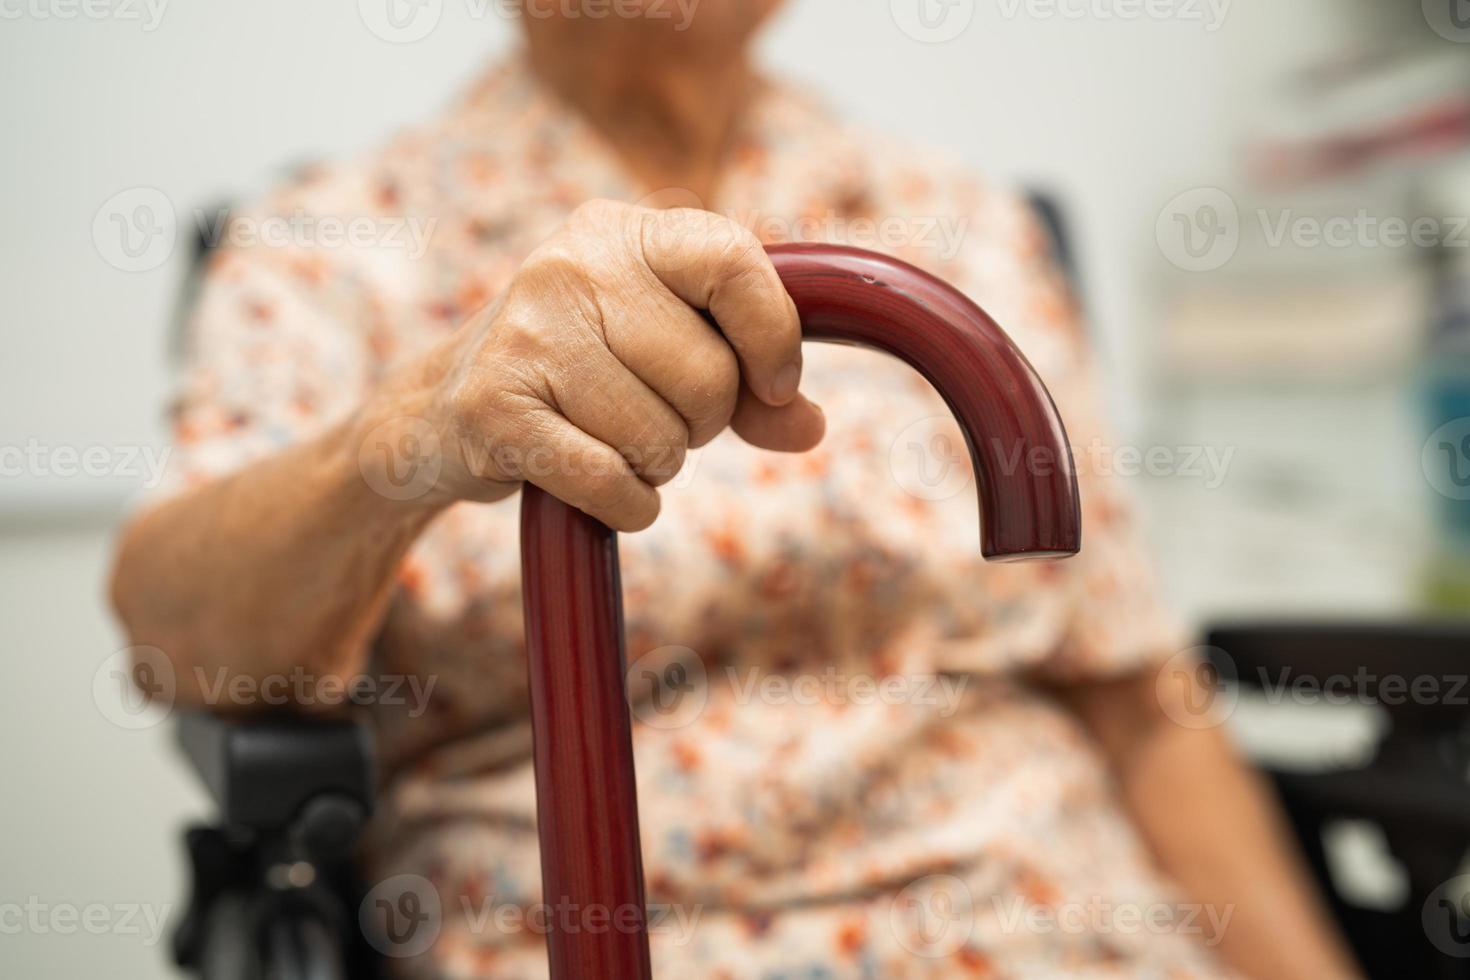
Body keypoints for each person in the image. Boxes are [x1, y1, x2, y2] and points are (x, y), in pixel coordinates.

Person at [109, 2, 1360, 977]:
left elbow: (1136, 693)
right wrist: (405, 435)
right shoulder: (335, 244)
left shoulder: (954, 220)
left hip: (1047, 919)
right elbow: (181, 640)